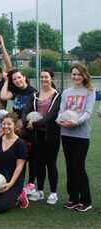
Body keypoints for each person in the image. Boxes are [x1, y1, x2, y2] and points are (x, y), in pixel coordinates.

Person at [57, 64, 95, 212]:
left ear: (84, 75)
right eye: (74, 74)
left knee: (78, 167)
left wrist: (76, 122)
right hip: (66, 134)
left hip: (81, 135)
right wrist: (59, 121)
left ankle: (86, 200)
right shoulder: (66, 92)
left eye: (79, 74)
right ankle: (73, 198)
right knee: (69, 167)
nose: (76, 77)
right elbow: (61, 111)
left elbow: (87, 112)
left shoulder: (89, 91)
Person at [22, 69, 61, 205]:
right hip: (36, 136)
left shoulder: (57, 95)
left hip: (51, 135)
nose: (44, 79)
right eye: (42, 77)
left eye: (46, 77)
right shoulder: (34, 95)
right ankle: (39, 190)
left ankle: (53, 193)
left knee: (50, 164)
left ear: (52, 78)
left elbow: (51, 115)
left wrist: (36, 124)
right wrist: (27, 122)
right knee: (39, 163)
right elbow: (25, 111)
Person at [0, 113, 28, 213]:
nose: (5, 126)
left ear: (14, 126)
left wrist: (10, 184)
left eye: (9, 124)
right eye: (3, 124)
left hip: (13, 181)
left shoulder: (21, 144)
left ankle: (20, 194)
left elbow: (19, 167)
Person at [0, 69, 37, 194]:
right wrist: (6, 80)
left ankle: (31, 184)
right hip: (17, 130)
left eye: (19, 77)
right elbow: (3, 96)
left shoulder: (33, 91)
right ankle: (19, 184)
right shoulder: (15, 91)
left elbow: (36, 112)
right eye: (14, 79)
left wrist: (24, 121)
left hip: (29, 129)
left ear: (24, 77)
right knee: (20, 158)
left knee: (31, 157)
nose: (17, 80)